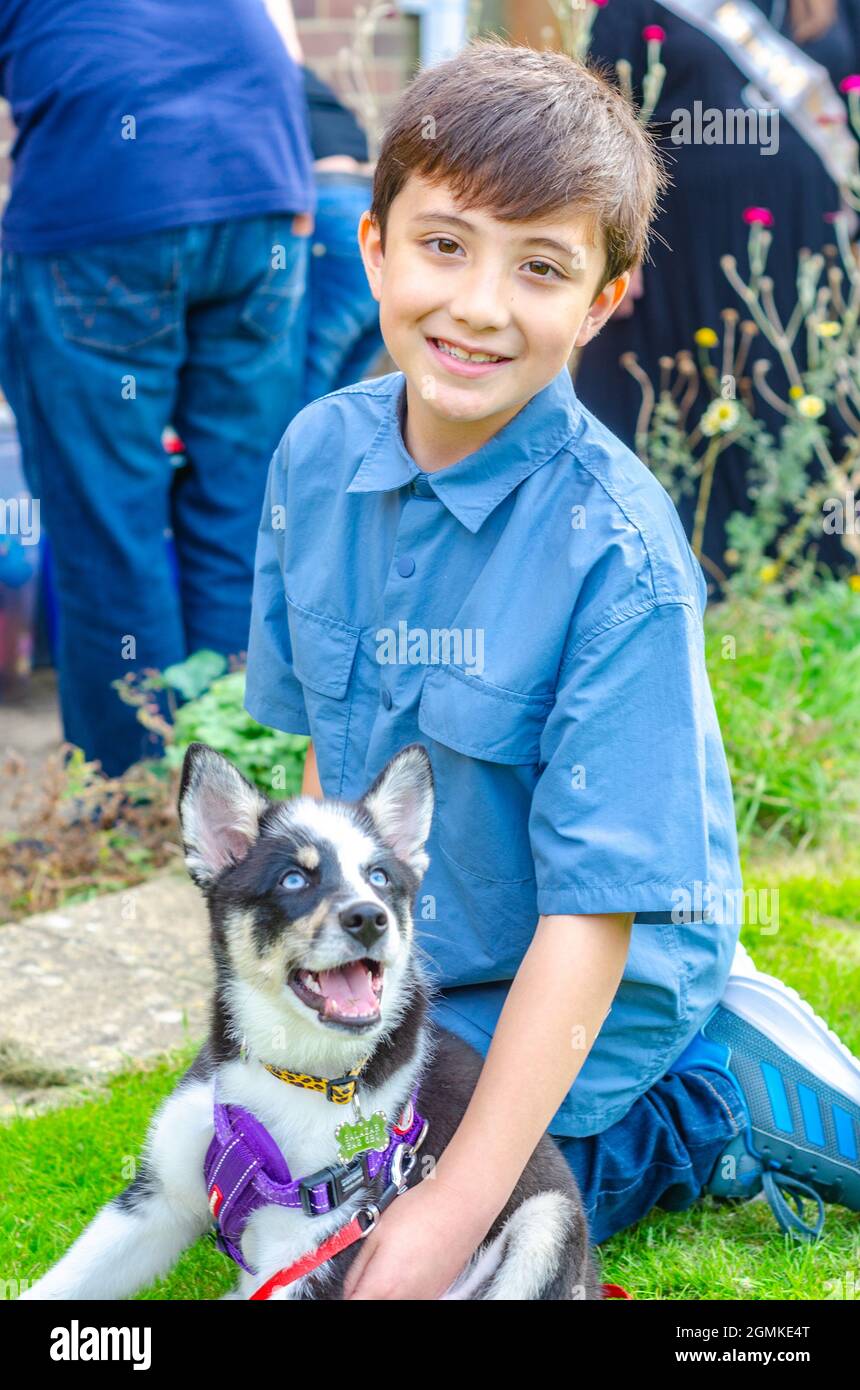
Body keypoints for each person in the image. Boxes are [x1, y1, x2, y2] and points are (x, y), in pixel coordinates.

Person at [243, 38, 860, 1299]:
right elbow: (328, 763)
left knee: (394, 1247)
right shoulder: (313, 456)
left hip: (584, 969)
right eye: (444, 244)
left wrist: (445, 1211)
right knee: (255, 1193)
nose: (476, 304)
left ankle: (712, 1095)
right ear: (371, 245)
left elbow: (586, 918)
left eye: (538, 268)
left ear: (600, 301)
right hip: (420, 963)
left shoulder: (618, 556)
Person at [0, 0, 315, 776]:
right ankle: (242, 785)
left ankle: (134, 795)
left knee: (108, 520)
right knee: (241, 507)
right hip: (263, 181)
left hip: (106, 201)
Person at [576, 0, 860, 584]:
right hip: (688, 249)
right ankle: (682, 563)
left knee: (792, 382)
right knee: (691, 388)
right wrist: (614, 245)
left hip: (806, 243)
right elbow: (600, 124)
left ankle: (796, 558)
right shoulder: (636, 6)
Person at [301, 66, 387, 405]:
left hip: (330, 207)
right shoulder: (298, 72)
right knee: (341, 401)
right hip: (374, 205)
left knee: (303, 395)